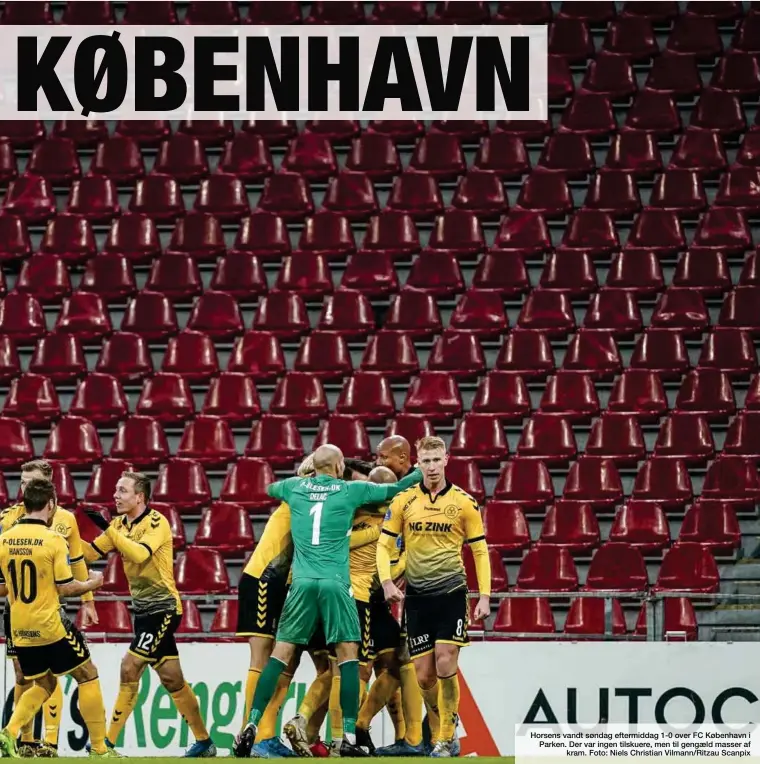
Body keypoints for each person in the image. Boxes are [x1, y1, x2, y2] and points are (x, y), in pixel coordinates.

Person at [235, 445, 422, 758]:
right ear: (338, 467)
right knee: (348, 658)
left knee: (280, 655)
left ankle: (251, 725)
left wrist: (302, 484)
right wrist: (423, 470)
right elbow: (397, 487)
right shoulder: (350, 490)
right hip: (336, 585)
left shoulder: (294, 488)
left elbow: (270, 487)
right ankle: (348, 736)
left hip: (301, 584)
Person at [83, 472, 216, 758]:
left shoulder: (157, 523)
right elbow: (90, 554)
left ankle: (105, 745)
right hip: (142, 612)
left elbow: (140, 554)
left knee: (129, 667)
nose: (116, 495)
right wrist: (64, 537)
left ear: (139, 496)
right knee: (172, 679)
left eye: (122, 490)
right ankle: (204, 742)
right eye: (116, 490)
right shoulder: (119, 524)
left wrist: (110, 530)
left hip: (164, 608)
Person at [377, 436, 492, 758]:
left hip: (452, 593)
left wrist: (484, 596)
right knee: (424, 675)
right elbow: (384, 545)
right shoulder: (404, 501)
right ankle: (441, 724)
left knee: (446, 660)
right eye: (425, 461)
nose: (431, 466)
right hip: (417, 597)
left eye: (435, 460)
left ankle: (445, 735)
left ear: (446, 460)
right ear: (418, 464)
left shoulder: (464, 502)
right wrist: (387, 582)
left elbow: (480, 551)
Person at [0, 478, 111, 758]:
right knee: (88, 674)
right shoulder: (53, 540)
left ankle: (8, 733)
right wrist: (91, 584)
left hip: (20, 626)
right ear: (51, 505)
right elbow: (66, 587)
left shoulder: (4, 539)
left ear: (25, 503)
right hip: (49, 624)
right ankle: (99, 748)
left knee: (44, 684)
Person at [371, 436, 427, 757]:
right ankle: (416, 737)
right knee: (411, 660)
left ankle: (423, 737)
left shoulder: (419, 482)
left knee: (424, 661)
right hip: (407, 587)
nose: (379, 463)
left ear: (403, 457)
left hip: (425, 587)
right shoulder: (410, 485)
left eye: (383, 458)